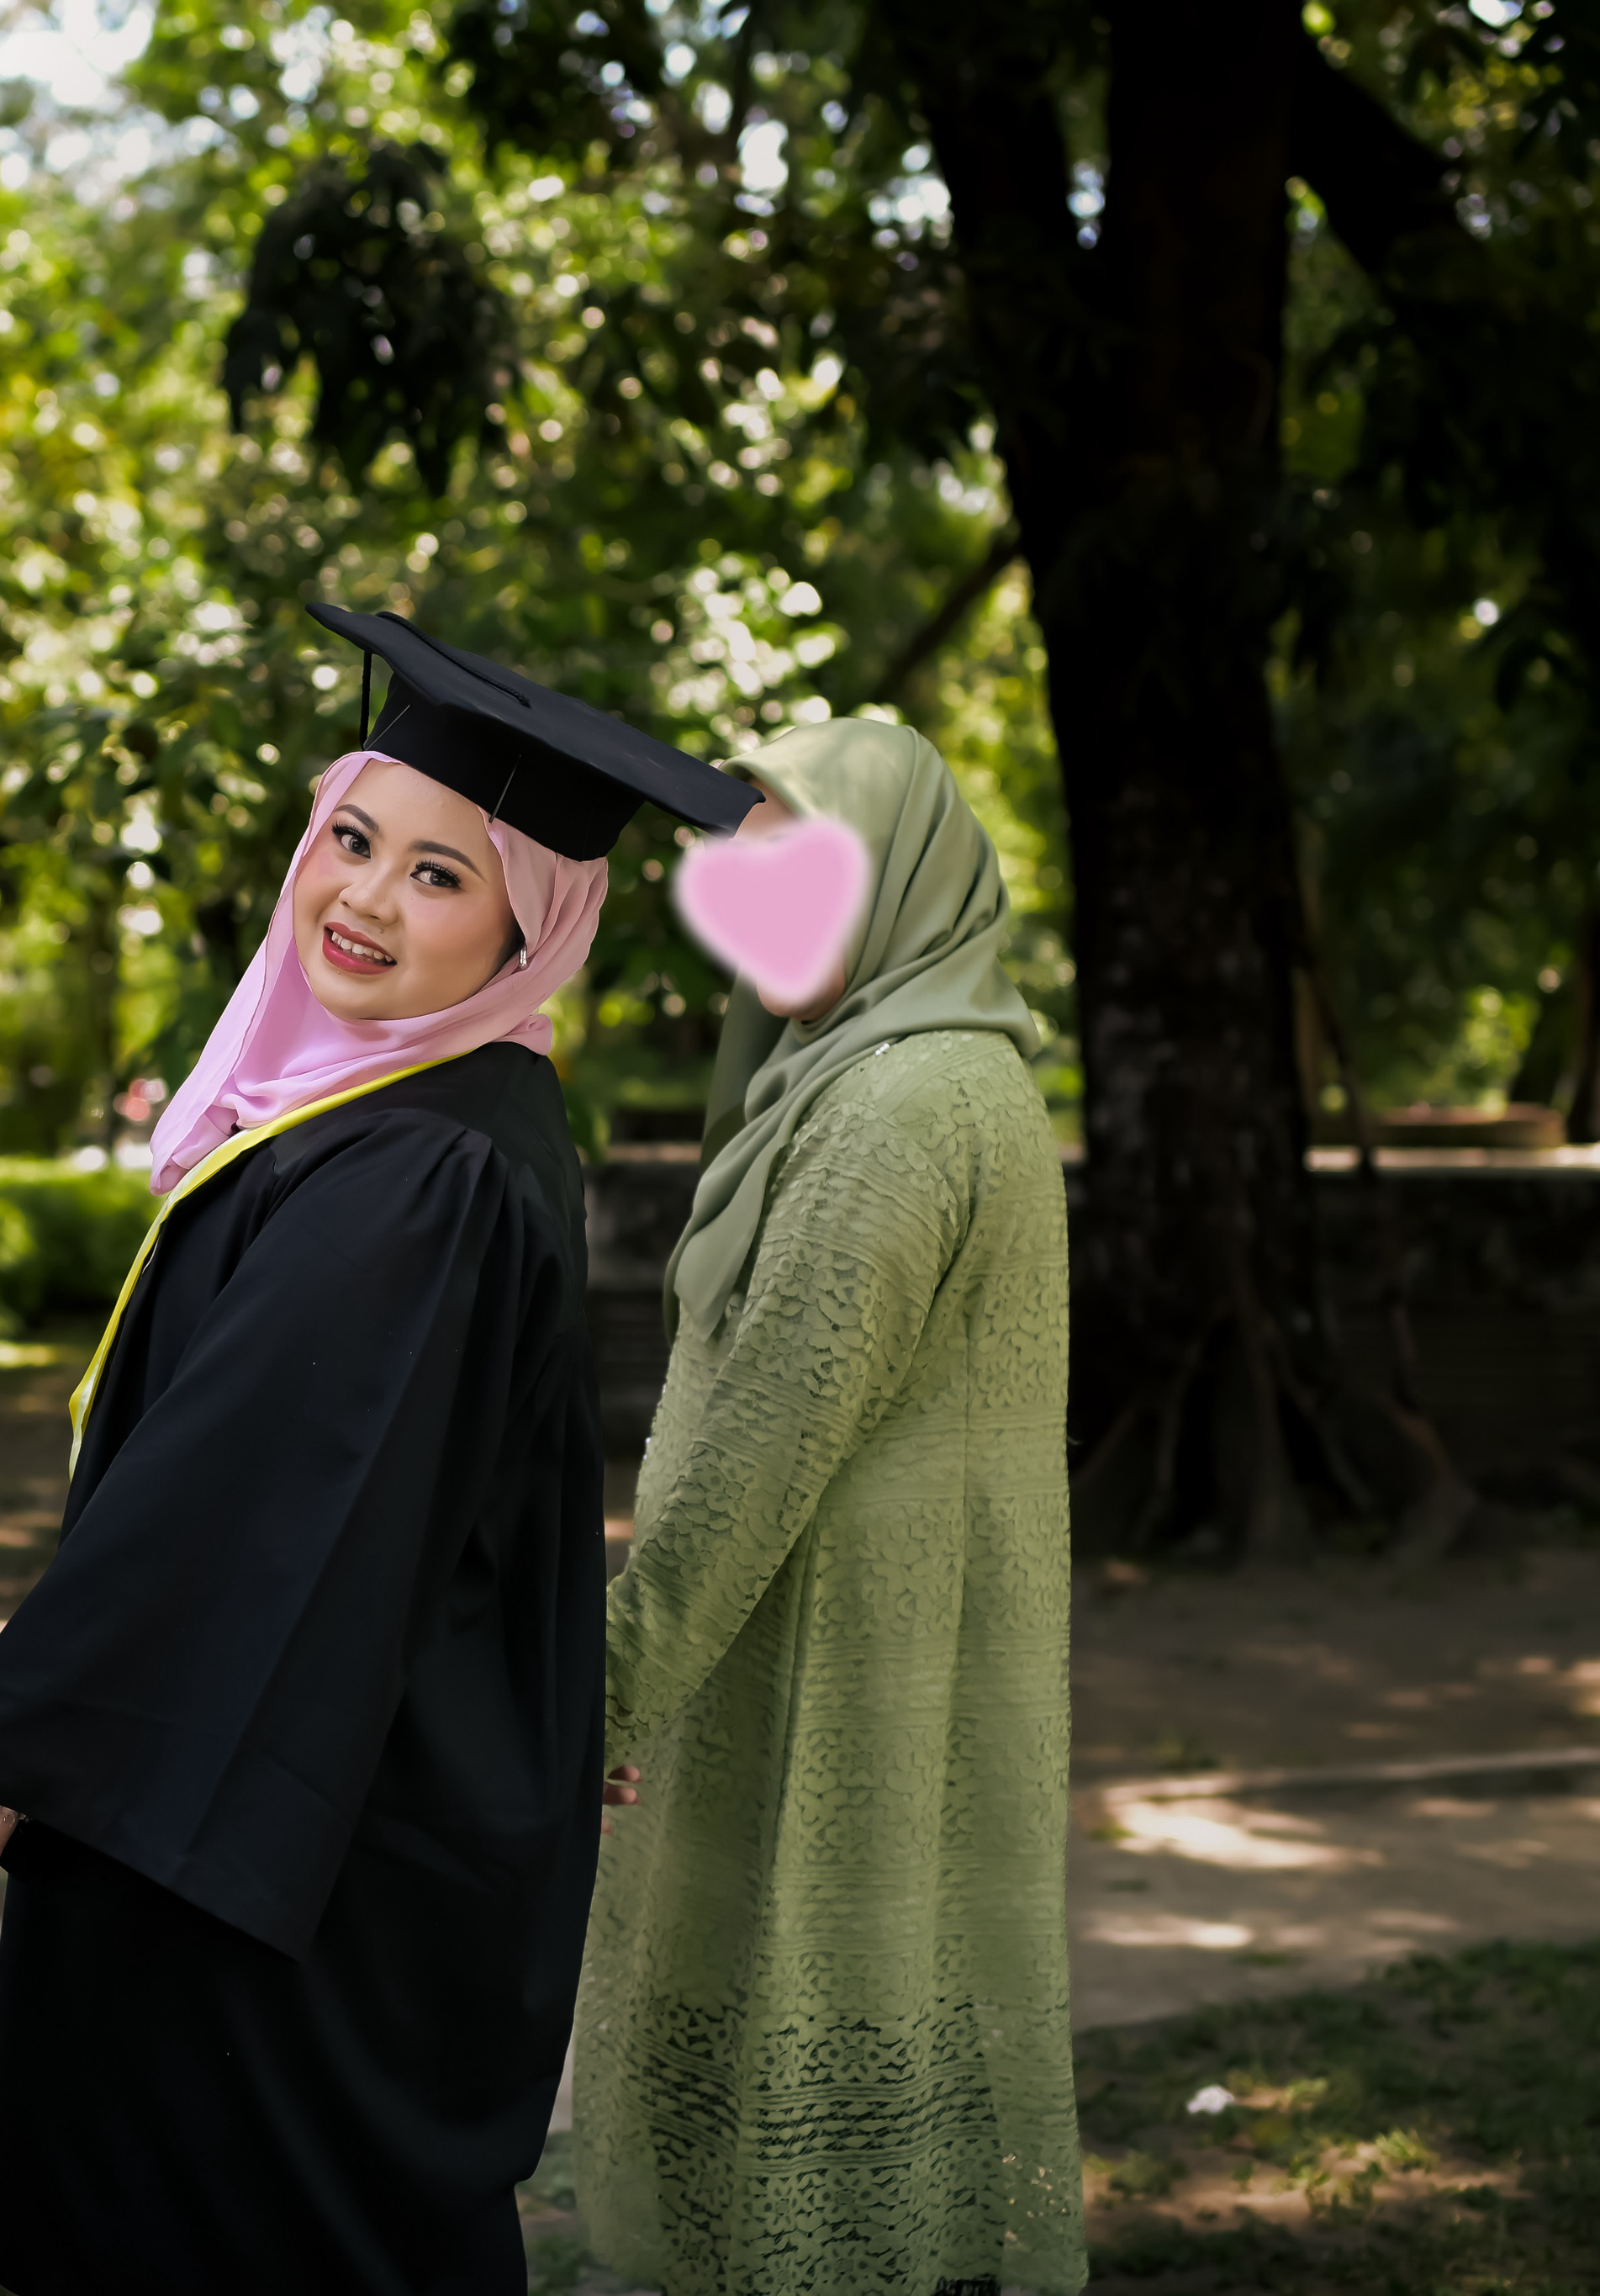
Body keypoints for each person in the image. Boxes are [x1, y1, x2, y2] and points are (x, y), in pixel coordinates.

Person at [0, 606, 752, 2296]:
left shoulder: (429, 1168)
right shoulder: (407, 1110)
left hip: (295, 1854)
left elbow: (239, 1504)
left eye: (440, 875)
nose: (363, 899)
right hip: (300, 1789)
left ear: (528, 925)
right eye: (351, 840)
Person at [570, 717, 1085, 2295]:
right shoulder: (917, 1071)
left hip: (838, 1654)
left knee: (816, 2062)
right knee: (876, 2026)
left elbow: (762, 1446)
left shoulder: (895, 1111)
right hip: (874, 1637)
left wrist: (591, 1692)